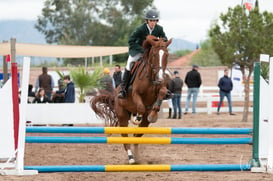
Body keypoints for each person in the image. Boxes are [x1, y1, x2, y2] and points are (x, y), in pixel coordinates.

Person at [118, 9, 167, 99]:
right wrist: (141, 50)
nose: (153, 23)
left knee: (160, 65)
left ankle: (165, 89)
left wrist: (162, 42)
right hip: (138, 51)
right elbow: (131, 41)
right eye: (151, 21)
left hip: (152, 53)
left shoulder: (159, 29)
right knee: (129, 65)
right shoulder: (140, 29)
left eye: (155, 20)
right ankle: (123, 89)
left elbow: (165, 38)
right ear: (147, 21)